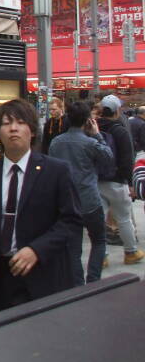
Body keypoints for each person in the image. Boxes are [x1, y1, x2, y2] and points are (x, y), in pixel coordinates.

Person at [0, 99, 82, 313]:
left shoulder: (57, 172)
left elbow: (71, 221)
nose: (13, 128)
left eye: (20, 122)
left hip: (43, 274)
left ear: (32, 130)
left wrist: (36, 250)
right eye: (6, 124)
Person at [48, 101, 113, 285]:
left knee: (73, 248)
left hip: (67, 202)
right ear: (88, 120)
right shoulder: (91, 143)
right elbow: (108, 159)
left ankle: (77, 284)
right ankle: (93, 279)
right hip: (90, 200)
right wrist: (98, 135)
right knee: (99, 241)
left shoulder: (56, 143)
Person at [96, 94, 145, 265]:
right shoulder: (120, 130)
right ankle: (130, 252)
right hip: (117, 181)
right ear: (117, 111)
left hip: (95, 181)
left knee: (99, 221)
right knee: (124, 219)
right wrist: (130, 183)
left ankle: (102, 256)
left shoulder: (93, 129)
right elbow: (127, 159)